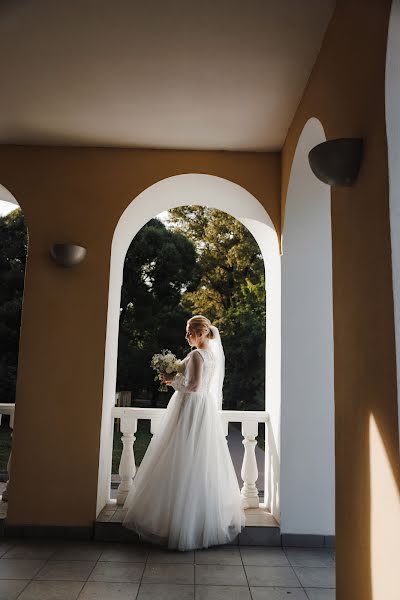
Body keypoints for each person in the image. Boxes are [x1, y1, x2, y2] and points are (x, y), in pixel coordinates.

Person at [122, 314, 246, 550]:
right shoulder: (210, 355)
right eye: (187, 331)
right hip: (202, 408)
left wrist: (172, 381)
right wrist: (177, 375)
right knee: (198, 458)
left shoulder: (198, 355)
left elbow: (194, 386)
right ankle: (196, 518)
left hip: (191, 407)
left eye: (190, 332)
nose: (187, 336)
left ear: (201, 333)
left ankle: (181, 522)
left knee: (182, 455)